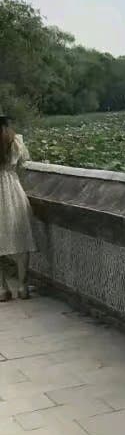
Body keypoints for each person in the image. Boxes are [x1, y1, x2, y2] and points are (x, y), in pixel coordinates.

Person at [0, 113, 36, 303]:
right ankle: (23, 287)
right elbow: (24, 163)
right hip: (12, 189)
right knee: (21, 237)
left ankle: (2, 289)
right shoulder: (15, 141)